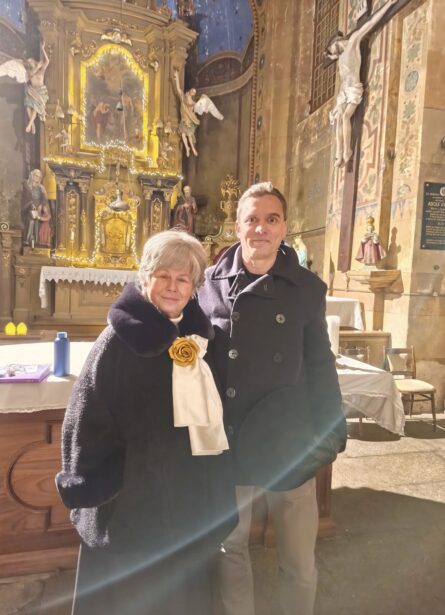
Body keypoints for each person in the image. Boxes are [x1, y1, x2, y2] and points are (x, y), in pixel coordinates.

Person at [56, 230, 237, 615]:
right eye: (163, 276)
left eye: (183, 278)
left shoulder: (203, 341)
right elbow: (84, 418)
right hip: (133, 509)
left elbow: (215, 418)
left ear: (194, 287)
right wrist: (108, 481)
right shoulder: (116, 342)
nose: (173, 286)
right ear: (145, 278)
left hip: (188, 505)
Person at [198, 182, 347, 615]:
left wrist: (331, 428)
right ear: (237, 226)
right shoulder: (208, 284)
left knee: (298, 559)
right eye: (252, 219)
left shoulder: (306, 288)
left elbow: (319, 361)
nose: (261, 228)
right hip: (230, 438)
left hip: (288, 438)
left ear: (284, 228)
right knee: (230, 549)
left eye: (271, 219)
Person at [325, 0, 398, 167]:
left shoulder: (352, 43)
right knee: (338, 118)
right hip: (343, 92)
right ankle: (339, 154)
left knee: (345, 116)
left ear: (335, 43)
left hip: (353, 89)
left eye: (331, 51)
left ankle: (347, 151)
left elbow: (371, 23)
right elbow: (337, 63)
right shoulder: (341, 56)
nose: (333, 55)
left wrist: (389, 4)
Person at [173, 69, 200, 157]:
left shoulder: (193, 103)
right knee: (183, 134)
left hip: (188, 120)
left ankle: (192, 148)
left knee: (189, 135)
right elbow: (178, 89)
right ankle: (187, 148)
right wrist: (177, 77)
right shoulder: (183, 98)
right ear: (189, 91)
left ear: (193, 94)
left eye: (194, 92)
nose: (192, 92)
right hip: (184, 119)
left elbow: (194, 110)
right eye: (192, 90)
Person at [22, 169, 48, 248]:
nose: (37, 178)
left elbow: (44, 198)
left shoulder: (41, 188)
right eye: (36, 175)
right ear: (32, 175)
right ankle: (26, 240)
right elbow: (25, 197)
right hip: (27, 207)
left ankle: (36, 242)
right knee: (31, 220)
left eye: (39, 177)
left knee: (37, 222)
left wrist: (42, 205)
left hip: (38, 208)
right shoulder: (26, 184)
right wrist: (31, 204)